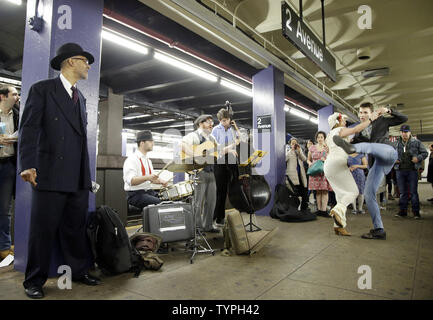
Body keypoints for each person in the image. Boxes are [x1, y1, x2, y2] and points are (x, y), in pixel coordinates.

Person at [18, 43, 101, 299]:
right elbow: (29, 129)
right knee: (43, 230)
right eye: (84, 60)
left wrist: (86, 178)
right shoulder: (42, 90)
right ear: (70, 62)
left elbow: (79, 140)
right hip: (50, 172)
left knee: (75, 228)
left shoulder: (82, 98)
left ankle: (78, 270)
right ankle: (34, 280)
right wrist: (28, 164)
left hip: (76, 177)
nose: (88, 65)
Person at [333, 102, 408, 240]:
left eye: (365, 112)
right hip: (378, 162)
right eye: (360, 112)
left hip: (388, 152)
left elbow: (404, 119)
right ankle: (379, 230)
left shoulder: (382, 120)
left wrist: (389, 110)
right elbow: (347, 143)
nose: (362, 115)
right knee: (368, 193)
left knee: (368, 146)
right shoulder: (360, 130)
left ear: (372, 113)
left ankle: (356, 148)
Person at [324, 112, 374, 236]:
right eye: (343, 120)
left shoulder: (329, 135)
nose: (345, 123)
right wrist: (370, 120)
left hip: (328, 165)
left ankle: (339, 226)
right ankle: (336, 210)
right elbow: (356, 129)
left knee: (341, 196)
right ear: (337, 122)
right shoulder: (340, 130)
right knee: (353, 192)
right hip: (338, 164)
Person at [182, 115, 220, 233]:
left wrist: (231, 147)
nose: (211, 124)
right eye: (208, 122)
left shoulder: (212, 138)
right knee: (197, 202)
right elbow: (183, 145)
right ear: (200, 123)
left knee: (211, 200)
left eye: (212, 123)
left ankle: (208, 225)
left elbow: (219, 150)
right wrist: (195, 155)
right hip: (199, 172)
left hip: (211, 172)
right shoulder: (193, 136)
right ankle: (196, 227)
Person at [123, 130, 168, 210]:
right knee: (160, 203)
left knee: (168, 200)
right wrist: (147, 177)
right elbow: (131, 181)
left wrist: (161, 181)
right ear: (142, 143)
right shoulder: (132, 159)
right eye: (150, 141)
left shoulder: (148, 160)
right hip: (135, 194)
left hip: (148, 192)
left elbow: (152, 179)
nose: (153, 143)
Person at [0, 84, 20, 261]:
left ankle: (4, 248)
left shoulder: (18, 114)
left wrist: (14, 138)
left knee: (5, 209)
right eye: (14, 94)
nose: (17, 97)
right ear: (2, 96)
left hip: (8, 165)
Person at [211, 108, 239, 227]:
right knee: (220, 192)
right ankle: (218, 217)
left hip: (232, 161)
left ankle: (235, 214)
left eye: (227, 120)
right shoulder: (215, 130)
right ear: (219, 120)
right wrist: (231, 148)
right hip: (220, 162)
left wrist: (236, 128)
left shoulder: (232, 129)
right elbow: (217, 150)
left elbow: (240, 139)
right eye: (223, 121)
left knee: (234, 188)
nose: (225, 123)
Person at [394, 125, 428, 219]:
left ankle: (416, 213)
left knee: (413, 192)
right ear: (400, 133)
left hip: (412, 171)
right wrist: (394, 160)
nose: (404, 134)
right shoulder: (396, 144)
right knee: (402, 193)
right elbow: (390, 155)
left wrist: (418, 158)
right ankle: (403, 212)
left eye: (406, 132)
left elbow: (425, 153)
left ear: (409, 132)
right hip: (400, 171)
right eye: (403, 132)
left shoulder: (416, 142)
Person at [307, 131, 331, 217]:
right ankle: (319, 210)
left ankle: (323, 210)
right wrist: (309, 163)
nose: (320, 139)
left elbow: (332, 158)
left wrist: (326, 160)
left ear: (324, 138)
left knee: (324, 191)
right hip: (314, 171)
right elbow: (308, 159)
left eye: (321, 137)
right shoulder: (312, 148)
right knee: (317, 191)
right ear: (316, 138)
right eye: (318, 137)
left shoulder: (327, 148)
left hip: (324, 171)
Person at [286, 137, 309, 210]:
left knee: (304, 191)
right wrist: (291, 150)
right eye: (292, 143)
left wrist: (299, 151)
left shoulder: (299, 150)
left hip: (301, 175)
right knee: (294, 193)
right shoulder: (288, 151)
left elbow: (304, 159)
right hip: (292, 175)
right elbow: (285, 159)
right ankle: (294, 208)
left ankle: (304, 208)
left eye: (295, 143)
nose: (294, 144)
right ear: (290, 144)